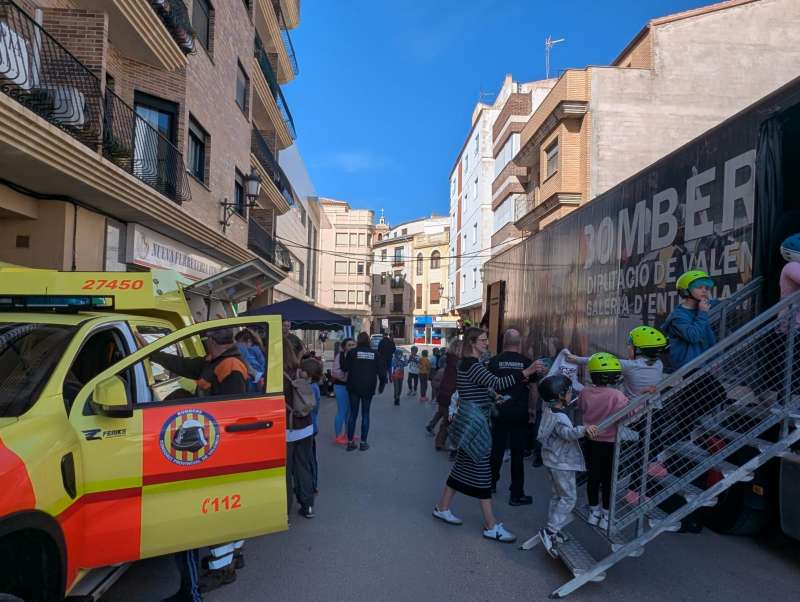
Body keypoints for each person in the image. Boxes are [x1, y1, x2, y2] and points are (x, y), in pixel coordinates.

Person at [139, 328, 248, 602]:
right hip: (212, 444)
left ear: (213, 341)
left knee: (219, 508)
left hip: (219, 447)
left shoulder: (231, 366)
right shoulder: (214, 362)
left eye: (206, 340)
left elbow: (231, 411)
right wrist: (150, 350)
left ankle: (224, 568)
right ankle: (231, 557)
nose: (204, 345)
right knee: (224, 507)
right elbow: (181, 365)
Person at [432, 327, 540, 544]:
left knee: (463, 465)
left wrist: (492, 399)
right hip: (475, 421)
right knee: (482, 471)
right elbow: (497, 383)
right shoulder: (472, 365)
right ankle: (491, 525)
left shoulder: (470, 364)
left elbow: (478, 389)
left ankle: (442, 507)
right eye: (482, 340)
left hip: (471, 417)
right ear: (473, 342)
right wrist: (526, 372)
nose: (486, 343)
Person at [536, 374, 598, 557]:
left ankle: (554, 528)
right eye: (569, 392)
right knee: (569, 498)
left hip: (552, 460)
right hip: (562, 463)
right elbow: (567, 434)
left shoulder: (550, 410)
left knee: (558, 496)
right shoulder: (560, 417)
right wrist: (584, 429)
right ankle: (551, 531)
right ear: (560, 395)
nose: (571, 394)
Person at [488, 329, 547, 506]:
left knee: (496, 450)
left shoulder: (494, 362)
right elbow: (534, 389)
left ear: (504, 343)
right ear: (519, 343)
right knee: (517, 454)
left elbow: (489, 387)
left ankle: (490, 485)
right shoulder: (527, 363)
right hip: (519, 413)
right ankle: (516, 494)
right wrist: (532, 410)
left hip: (499, 412)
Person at [576, 353, 629, 529]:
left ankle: (594, 512)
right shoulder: (617, 395)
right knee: (608, 480)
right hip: (611, 443)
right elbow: (628, 414)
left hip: (590, 440)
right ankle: (607, 516)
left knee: (593, 477)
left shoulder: (584, 391)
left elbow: (582, 409)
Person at [661, 270, 718, 372]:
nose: (704, 290)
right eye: (699, 287)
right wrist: (703, 313)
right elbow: (693, 336)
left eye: (706, 288)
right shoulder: (678, 317)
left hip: (702, 363)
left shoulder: (702, 307)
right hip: (688, 368)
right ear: (686, 291)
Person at [284, 340, 315, 519]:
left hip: (287, 428)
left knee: (286, 471)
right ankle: (308, 505)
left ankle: (285, 513)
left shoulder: (277, 376)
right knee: (303, 466)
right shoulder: (301, 372)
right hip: (306, 426)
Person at [342, 332, 386, 451]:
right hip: (368, 387)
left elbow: (344, 368)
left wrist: (343, 354)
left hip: (353, 387)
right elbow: (382, 372)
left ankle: (350, 442)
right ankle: (363, 442)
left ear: (358, 341)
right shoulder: (375, 354)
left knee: (353, 414)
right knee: (365, 414)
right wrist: (382, 385)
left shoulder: (352, 352)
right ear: (368, 341)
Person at [427, 340, 461, 450]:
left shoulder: (449, 359)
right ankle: (440, 442)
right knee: (447, 421)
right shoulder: (457, 363)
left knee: (442, 413)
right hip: (450, 394)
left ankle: (433, 428)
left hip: (443, 393)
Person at [301, 357, 323, 495]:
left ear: (307, 373)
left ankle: (313, 484)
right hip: (312, 427)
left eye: (301, 370)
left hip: (309, 427)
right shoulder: (313, 387)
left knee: (309, 458)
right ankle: (313, 483)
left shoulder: (310, 388)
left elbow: (308, 408)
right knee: (310, 457)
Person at [331, 338, 355, 444]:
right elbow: (335, 372)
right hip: (341, 386)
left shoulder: (355, 356)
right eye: (349, 345)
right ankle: (338, 436)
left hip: (352, 387)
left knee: (349, 412)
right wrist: (347, 378)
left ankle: (348, 434)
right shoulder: (339, 356)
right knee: (342, 411)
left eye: (353, 345)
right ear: (344, 347)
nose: (351, 347)